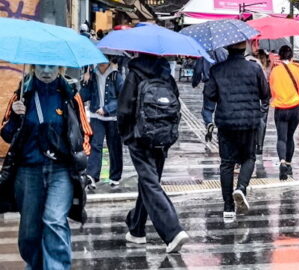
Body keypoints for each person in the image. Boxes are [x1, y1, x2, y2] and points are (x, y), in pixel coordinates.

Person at [0, 65, 92, 269]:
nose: (47, 71)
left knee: (54, 221)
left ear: (60, 68)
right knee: (29, 232)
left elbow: (85, 131)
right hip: (28, 171)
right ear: (33, 67)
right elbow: (6, 133)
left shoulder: (70, 94)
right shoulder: (23, 93)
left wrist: (81, 157)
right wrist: (15, 116)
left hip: (61, 172)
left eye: (52, 66)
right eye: (41, 66)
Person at [117, 53, 189, 253]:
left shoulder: (135, 73)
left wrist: (125, 134)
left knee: (150, 182)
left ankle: (173, 230)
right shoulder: (166, 73)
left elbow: (124, 109)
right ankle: (136, 228)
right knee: (149, 182)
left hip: (139, 136)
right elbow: (176, 102)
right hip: (163, 136)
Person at [203, 41, 270, 222]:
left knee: (227, 163)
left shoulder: (217, 70)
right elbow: (265, 93)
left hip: (226, 122)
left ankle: (228, 207)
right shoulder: (254, 69)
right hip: (249, 122)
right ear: (244, 48)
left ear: (227, 47)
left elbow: (210, 96)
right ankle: (241, 187)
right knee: (249, 157)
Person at [80, 59, 125, 190]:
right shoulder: (92, 74)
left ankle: (115, 176)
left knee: (114, 147)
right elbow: (84, 96)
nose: (101, 63)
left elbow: (122, 97)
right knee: (95, 145)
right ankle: (92, 176)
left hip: (112, 117)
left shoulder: (116, 75)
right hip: (96, 116)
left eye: (104, 60)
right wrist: (85, 81)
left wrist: (107, 109)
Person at [268, 45, 299, 181]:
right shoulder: (298, 70)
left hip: (280, 107)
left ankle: (282, 161)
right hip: (295, 106)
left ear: (279, 56)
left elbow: (272, 89)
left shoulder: (275, 71)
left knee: (281, 138)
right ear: (291, 56)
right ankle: (289, 165)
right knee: (290, 136)